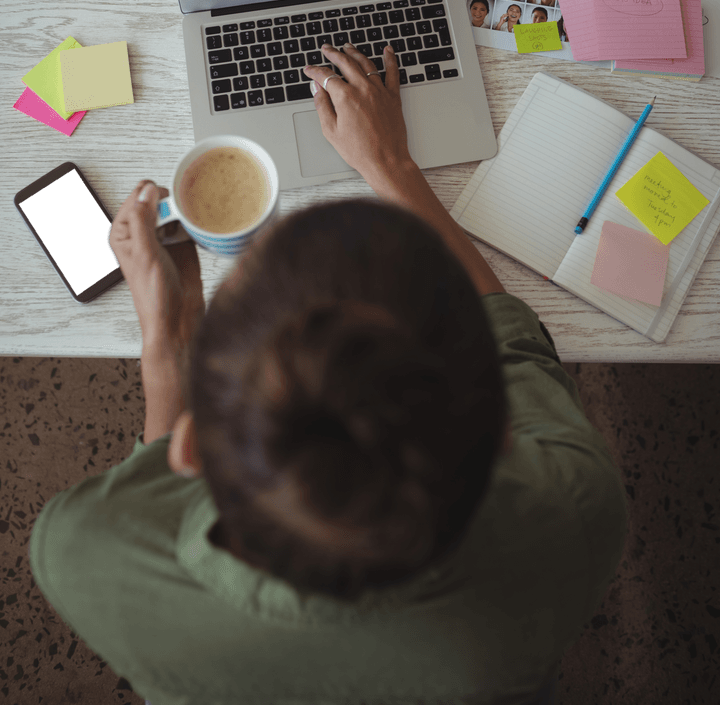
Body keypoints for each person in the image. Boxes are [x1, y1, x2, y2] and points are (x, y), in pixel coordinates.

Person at [29, 40, 627, 705]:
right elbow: (511, 340)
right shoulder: (577, 509)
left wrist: (168, 345)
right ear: (505, 435)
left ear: (190, 447)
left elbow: (151, 484)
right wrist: (391, 165)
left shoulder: (83, 550)